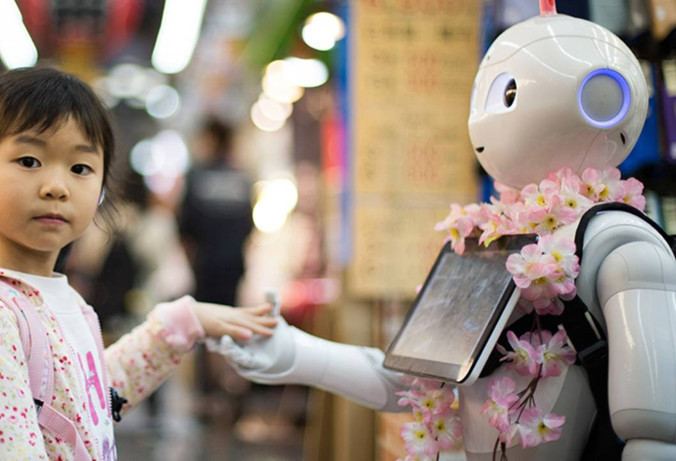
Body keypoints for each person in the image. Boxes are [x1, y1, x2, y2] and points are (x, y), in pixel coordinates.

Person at [216, 4, 676, 461]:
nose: (482, 119)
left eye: (506, 93)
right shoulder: (490, 240)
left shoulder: (623, 246)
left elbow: (655, 427)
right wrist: (296, 353)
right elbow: (413, 381)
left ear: (603, 98)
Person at [0, 67, 276, 460]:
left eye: (80, 168)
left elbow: (86, 402)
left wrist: (184, 324)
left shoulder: (58, 300)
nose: (56, 187)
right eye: (29, 161)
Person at [178, 117, 255, 420]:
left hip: (206, 267)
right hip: (233, 266)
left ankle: (209, 396)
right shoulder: (242, 179)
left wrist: (193, 261)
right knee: (232, 326)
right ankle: (232, 388)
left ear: (211, 139)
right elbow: (249, 227)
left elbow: (184, 229)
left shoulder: (197, 176)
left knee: (205, 328)